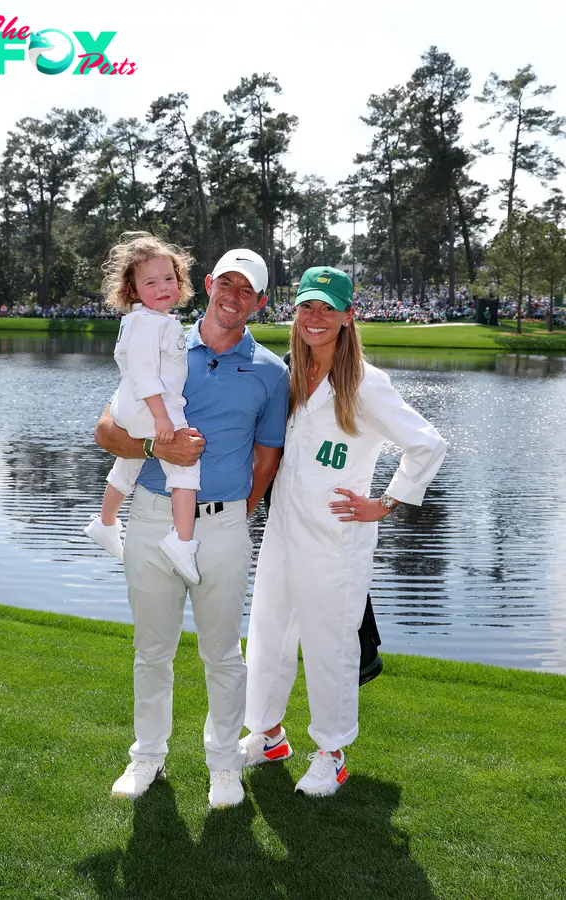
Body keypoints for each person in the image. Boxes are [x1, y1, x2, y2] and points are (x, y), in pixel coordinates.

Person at [94, 248, 289, 808]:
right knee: (151, 651)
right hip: (154, 514)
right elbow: (106, 431)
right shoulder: (163, 339)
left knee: (224, 655)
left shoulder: (272, 372)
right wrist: (160, 444)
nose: (232, 295)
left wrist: (235, 515)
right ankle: (147, 756)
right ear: (206, 284)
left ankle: (224, 763)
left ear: (260, 302)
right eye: (225, 282)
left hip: (225, 526)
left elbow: (266, 459)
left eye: (246, 289)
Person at [241, 266, 447, 796]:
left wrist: (386, 503)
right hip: (283, 527)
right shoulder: (287, 374)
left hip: (336, 537)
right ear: (295, 311)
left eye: (328, 308)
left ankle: (331, 753)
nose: (315, 318)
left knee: (330, 644)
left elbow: (427, 444)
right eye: (307, 306)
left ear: (348, 315)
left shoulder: (366, 383)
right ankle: (267, 734)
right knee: (268, 632)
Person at [84, 233, 201, 583]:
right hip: (150, 406)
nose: (163, 287)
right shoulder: (149, 323)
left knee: (131, 459)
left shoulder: (143, 319)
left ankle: (105, 523)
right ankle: (181, 541)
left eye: (169, 279)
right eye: (151, 282)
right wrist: (163, 418)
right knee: (185, 463)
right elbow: (146, 374)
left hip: (131, 405)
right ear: (133, 290)